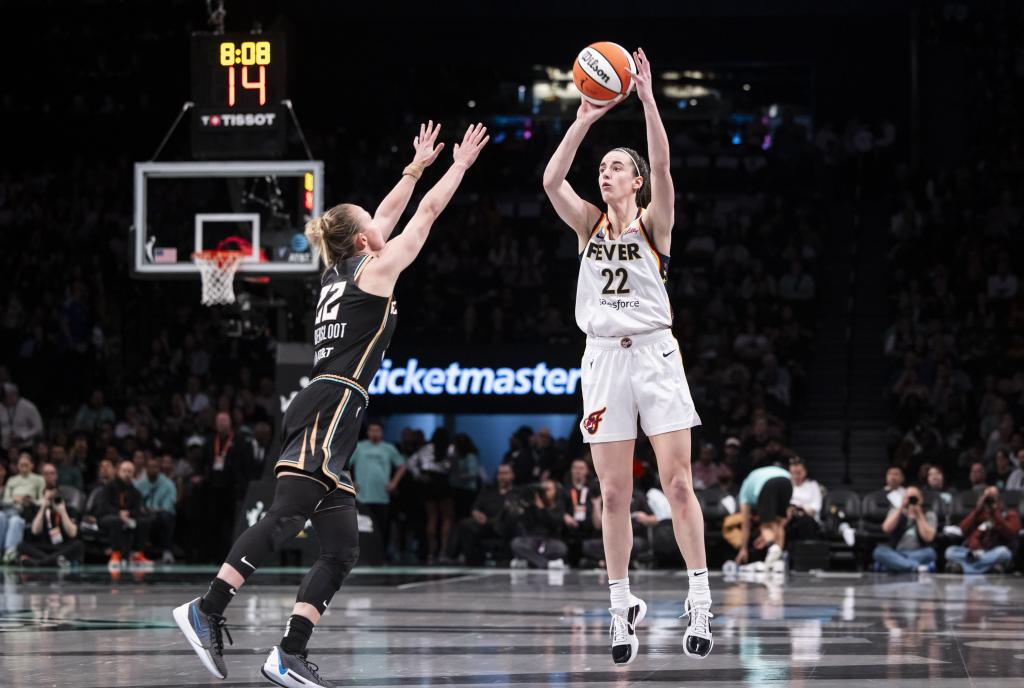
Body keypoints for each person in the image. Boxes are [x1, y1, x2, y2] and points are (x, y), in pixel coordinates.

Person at [173, 121, 489, 688]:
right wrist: (458, 165)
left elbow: (389, 215)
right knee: (285, 515)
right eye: (371, 223)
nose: (380, 222)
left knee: (342, 547)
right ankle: (208, 606)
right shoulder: (375, 271)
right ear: (365, 240)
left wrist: (414, 168)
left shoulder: (339, 271)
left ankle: (288, 653)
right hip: (332, 403)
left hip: (331, 404)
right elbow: (422, 218)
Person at [542, 47, 711, 664]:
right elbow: (550, 181)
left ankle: (700, 597)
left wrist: (644, 98)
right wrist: (584, 118)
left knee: (677, 482)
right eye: (604, 168)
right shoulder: (587, 225)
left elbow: (663, 163)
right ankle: (620, 609)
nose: (605, 174)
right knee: (613, 495)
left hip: (656, 356)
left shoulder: (653, 224)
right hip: (604, 359)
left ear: (634, 182)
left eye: (616, 168)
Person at [349, 421, 406, 559]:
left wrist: (394, 483)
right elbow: (344, 465)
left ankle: (381, 555)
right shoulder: (359, 447)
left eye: (377, 430)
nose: (374, 433)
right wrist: (351, 482)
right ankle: (361, 555)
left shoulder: (389, 448)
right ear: (368, 432)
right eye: (372, 430)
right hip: (362, 496)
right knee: (361, 527)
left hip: (382, 495)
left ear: (382, 433)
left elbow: (402, 466)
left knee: (382, 527)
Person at [446, 463, 515, 565]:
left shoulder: (516, 492)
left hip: (502, 524)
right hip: (484, 522)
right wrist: (476, 513)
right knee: (464, 524)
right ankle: (458, 557)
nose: (502, 477)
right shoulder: (488, 491)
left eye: (506, 473)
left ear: (513, 475)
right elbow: (475, 507)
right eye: (500, 474)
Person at [17, 462, 84, 567]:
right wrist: (43, 507)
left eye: (52, 473)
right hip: (43, 546)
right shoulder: (35, 508)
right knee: (21, 546)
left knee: (78, 546)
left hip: (62, 547)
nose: (49, 476)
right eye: (46, 473)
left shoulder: (68, 509)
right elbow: (35, 531)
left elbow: (73, 533)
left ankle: (40, 563)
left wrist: (62, 512)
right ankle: (56, 561)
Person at [944, 485, 1020, 574]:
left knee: (1004, 553)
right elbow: (962, 529)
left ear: (999, 499)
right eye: (987, 498)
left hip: (994, 552)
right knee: (950, 551)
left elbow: (1011, 533)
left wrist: (995, 513)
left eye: (992, 497)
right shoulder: (979, 514)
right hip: (976, 553)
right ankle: (988, 568)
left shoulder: (1010, 514)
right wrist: (977, 510)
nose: (989, 501)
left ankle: (966, 568)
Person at [405, 428, 454, 563]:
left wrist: (419, 476)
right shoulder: (450, 448)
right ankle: (443, 551)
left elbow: (410, 463)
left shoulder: (426, 448)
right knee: (446, 518)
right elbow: (454, 466)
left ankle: (432, 552)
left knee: (432, 517)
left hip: (428, 482)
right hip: (442, 481)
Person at [95, 460, 153, 570]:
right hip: (107, 517)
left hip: (127, 518)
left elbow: (138, 509)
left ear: (133, 474)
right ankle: (115, 555)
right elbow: (103, 507)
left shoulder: (135, 491)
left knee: (144, 521)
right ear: (118, 472)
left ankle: (136, 554)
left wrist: (129, 513)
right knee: (116, 521)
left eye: (130, 471)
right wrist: (118, 513)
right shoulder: (109, 487)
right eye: (124, 471)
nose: (127, 474)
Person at [734, 463, 793, 570]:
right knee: (778, 524)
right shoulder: (757, 476)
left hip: (768, 484)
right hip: (788, 480)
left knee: (765, 526)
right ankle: (777, 561)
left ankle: (772, 547)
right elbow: (786, 516)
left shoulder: (744, 492)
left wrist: (743, 549)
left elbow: (745, 523)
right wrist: (769, 535)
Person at [872, 486, 938, 573]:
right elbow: (886, 528)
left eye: (914, 497)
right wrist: (900, 508)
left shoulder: (928, 514)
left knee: (931, 553)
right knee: (879, 552)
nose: (911, 500)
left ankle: (892, 565)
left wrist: (919, 515)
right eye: (908, 497)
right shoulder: (896, 511)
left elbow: (928, 537)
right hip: (896, 552)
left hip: (919, 553)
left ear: (921, 499)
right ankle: (917, 567)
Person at [510, 479, 568, 569]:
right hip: (531, 540)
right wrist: (529, 508)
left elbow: (554, 524)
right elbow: (526, 524)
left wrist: (542, 509)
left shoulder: (558, 506)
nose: (545, 492)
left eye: (548, 489)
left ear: (555, 491)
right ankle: (546, 564)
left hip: (549, 540)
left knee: (561, 548)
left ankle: (529, 562)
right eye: (543, 489)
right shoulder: (531, 505)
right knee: (516, 543)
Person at [1, 452, 45, 563]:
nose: (24, 467)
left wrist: (31, 500)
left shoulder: (39, 479)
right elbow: (5, 500)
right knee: (0, 516)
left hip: (26, 511)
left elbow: (42, 500)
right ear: (17, 466)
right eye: (21, 465)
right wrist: (16, 499)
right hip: (10, 508)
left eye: (26, 465)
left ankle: (9, 553)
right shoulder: (12, 480)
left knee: (15, 521)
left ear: (32, 465)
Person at [135, 454, 177, 564]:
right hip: (144, 514)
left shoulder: (168, 484)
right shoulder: (139, 484)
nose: (152, 469)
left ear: (159, 469)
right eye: (149, 466)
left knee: (166, 517)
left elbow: (169, 505)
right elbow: (134, 502)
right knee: (138, 518)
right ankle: (137, 553)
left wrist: (156, 510)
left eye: (155, 467)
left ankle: (167, 551)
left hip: (160, 514)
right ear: (145, 468)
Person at [786, 457, 822, 542]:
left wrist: (800, 509)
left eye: (799, 472)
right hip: (789, 519)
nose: (796, 476)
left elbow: (816, 507)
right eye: (793, 473)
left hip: (808, 519)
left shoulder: (813, 485)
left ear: (805, 471)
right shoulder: (786, 485)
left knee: (805, 522)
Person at [0, 383, 44, 452]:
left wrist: (22, 437)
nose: (3, 401)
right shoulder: (1, 407)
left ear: (13, 395)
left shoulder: (28, 407)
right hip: (5, 447)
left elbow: (38, 428)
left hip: (24, 447)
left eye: (5, 398)